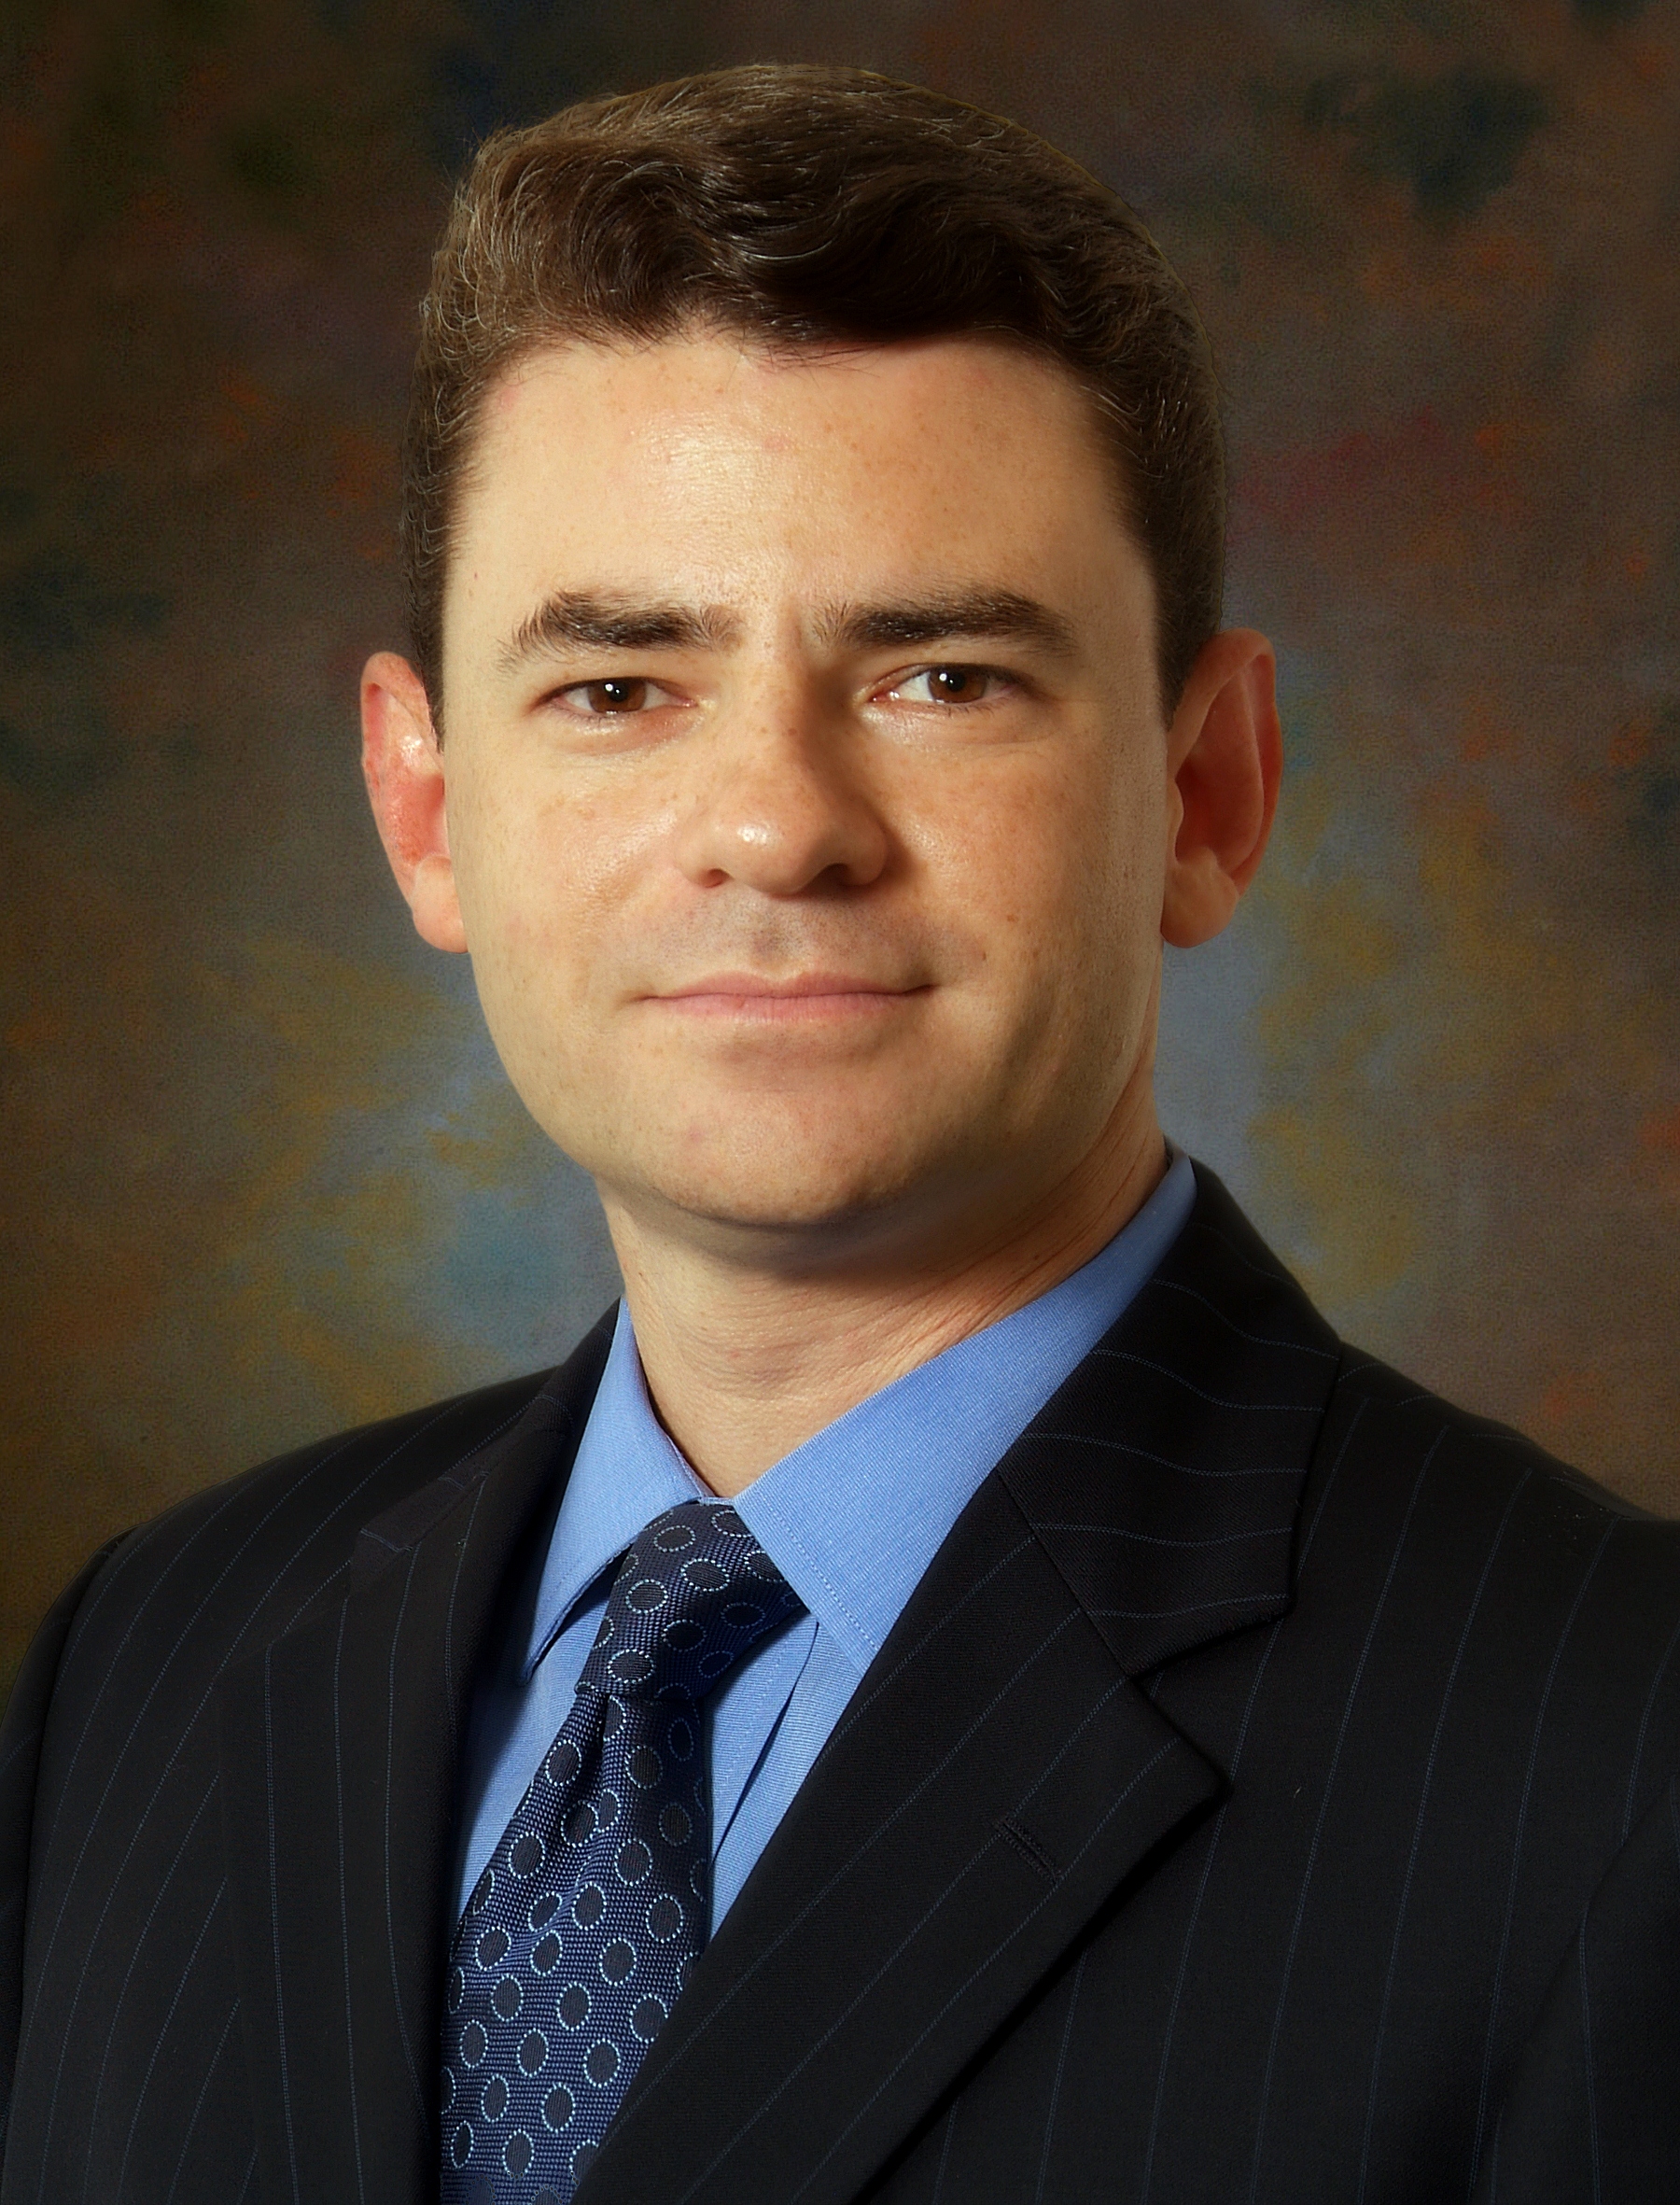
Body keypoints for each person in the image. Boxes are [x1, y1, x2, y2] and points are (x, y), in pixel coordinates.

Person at [2, 61, 1676, 2205]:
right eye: (619, 685)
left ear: (1208, 792)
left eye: (943, 675)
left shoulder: (1619, 1749)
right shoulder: (152, 1654)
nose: (779, 823)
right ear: (426, 810)